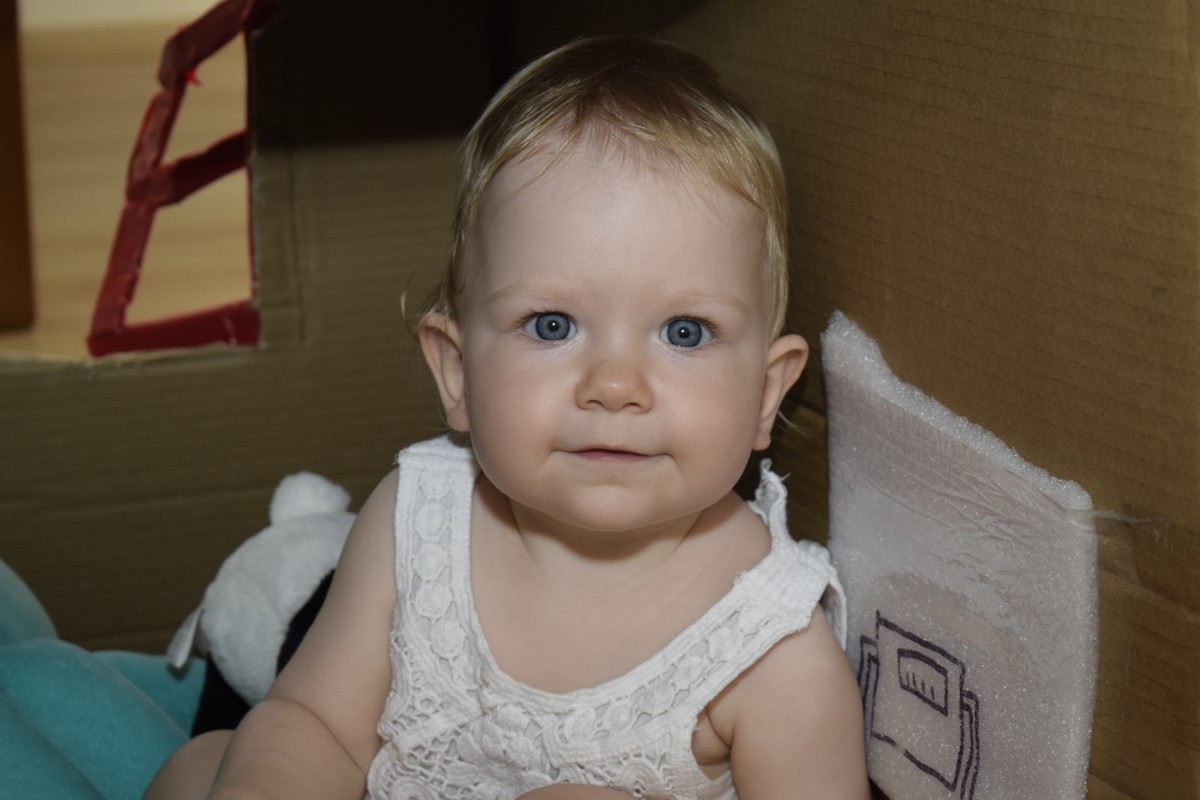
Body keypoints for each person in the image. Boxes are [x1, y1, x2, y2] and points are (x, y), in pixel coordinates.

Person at [146, 35, 869, 800]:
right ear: (457, 372)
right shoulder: (417, 523)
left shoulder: (770, 644)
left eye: (685, 332)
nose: (615, 385)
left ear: (765, 394)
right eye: (552, 325)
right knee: (206, 766)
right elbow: (318, 720)